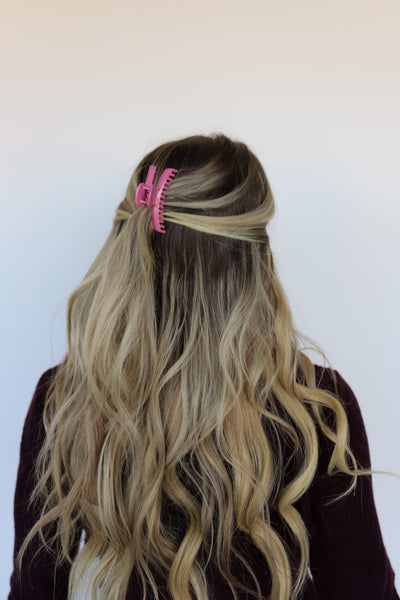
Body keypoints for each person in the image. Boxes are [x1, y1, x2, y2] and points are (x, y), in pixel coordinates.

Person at [9, 133, 399, 600]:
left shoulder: (68, 398)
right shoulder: (315, 405)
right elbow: (364, 589)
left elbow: (35, 589)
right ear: (255, 257)